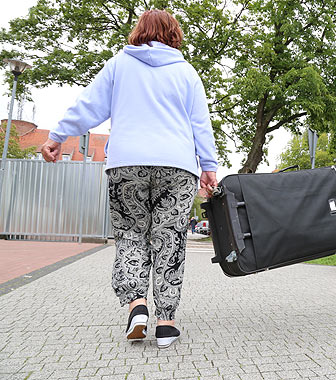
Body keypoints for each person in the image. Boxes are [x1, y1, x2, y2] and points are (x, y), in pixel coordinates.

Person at [40, 9, 218, 348]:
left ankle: (137, 305)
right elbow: (200, 125)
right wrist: (208, 166)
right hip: (177, 166)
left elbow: (88, 106)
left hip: (126, 165)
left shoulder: (119, 64)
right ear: (173, 34)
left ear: (139, 32)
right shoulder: (186, 73)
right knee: (169, 240)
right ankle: (166, 323)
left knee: (131, 235)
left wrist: (57, 137)